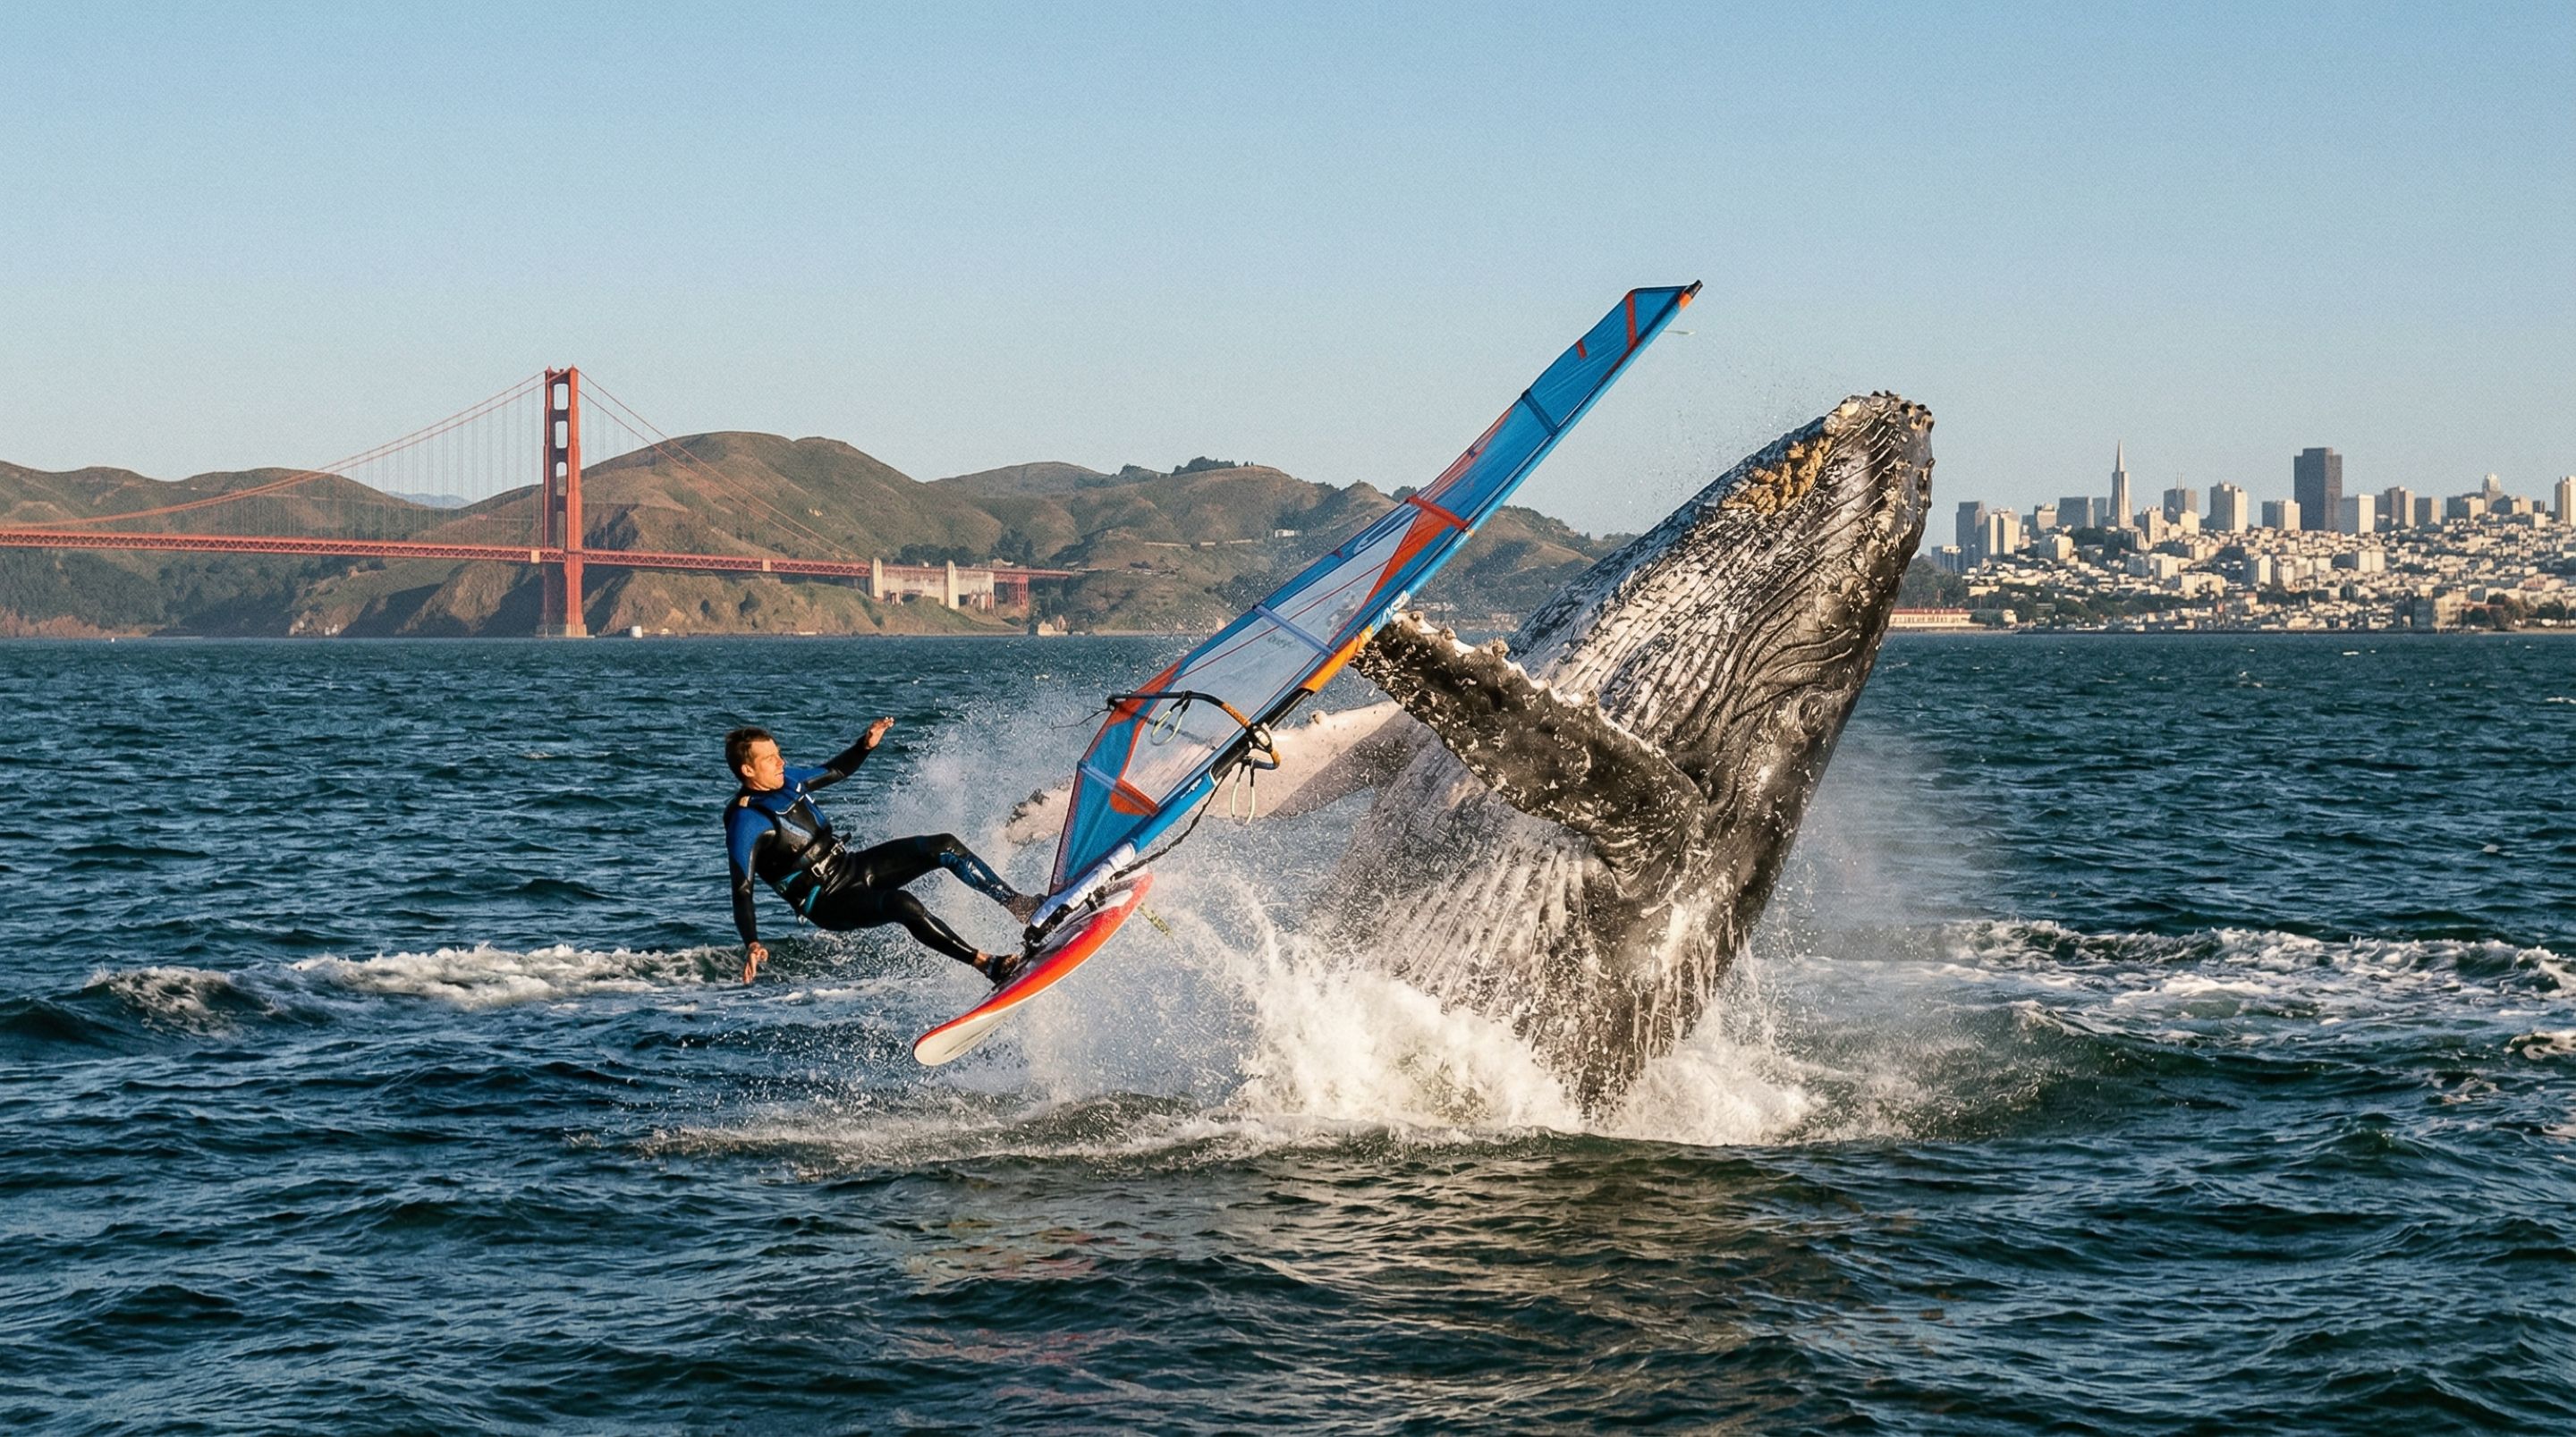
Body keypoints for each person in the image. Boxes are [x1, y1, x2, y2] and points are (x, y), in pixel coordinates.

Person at [723, 720, 1038, 985]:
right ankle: (987, 964)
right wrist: (752, 941)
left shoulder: (789, 781)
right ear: (748, 770)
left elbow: (834, 771)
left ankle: (1020, 905)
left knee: (944, 845)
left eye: (779, 754)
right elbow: (742, 890)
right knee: (904, 905)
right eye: (770, 759)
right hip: (827, 901)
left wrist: (865, 745)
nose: (781, 762)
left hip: (851, 866)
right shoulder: (746, 821)